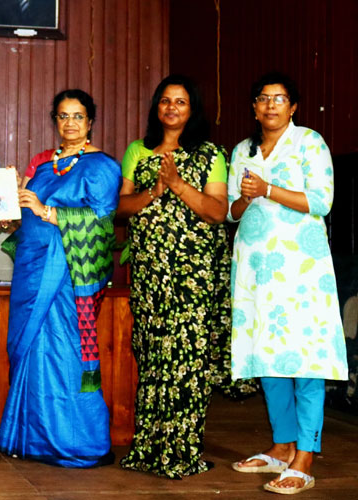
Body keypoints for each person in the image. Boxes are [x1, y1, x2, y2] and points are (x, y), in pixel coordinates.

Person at [117, 75, 256, 478]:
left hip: (194, 275)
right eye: (165, 101)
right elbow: (121, 209)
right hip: (150, 273)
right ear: (156, 108)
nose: (171, 108)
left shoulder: (210, 153)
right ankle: (148, 450)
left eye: (180, 102)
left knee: (188, 362)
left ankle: (182, 453)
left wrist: (176, 183)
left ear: (192, 109)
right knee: (155, 357)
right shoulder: (137, 151)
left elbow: (217, 212)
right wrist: (153, 193)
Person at [228, 72, 348, 495]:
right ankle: (281, 447)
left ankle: (306, 456)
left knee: (305, 359)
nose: (271, 105)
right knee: (268, 356)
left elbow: (321, 201)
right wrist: (245, 196)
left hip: (301, 270)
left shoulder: (310, 143)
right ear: (254, 107)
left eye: (279, 99)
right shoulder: (243, 150)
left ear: (293, 106)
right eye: (263, 99)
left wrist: (269, 188)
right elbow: (233, 212)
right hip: (255, 270)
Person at [0, 89, 119, 467]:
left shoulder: (103, 167)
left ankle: (79, 442)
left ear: (91, 121)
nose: (70, 123)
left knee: (66, 350)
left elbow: (102, 222)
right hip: (32, 272)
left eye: (78, 116)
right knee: (30, 350)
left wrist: (48, 212)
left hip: (67, 275)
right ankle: (30, 440)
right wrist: (9, 208)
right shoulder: (45, 168)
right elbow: (28, 217)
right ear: (55, 121)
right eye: (63, 116)